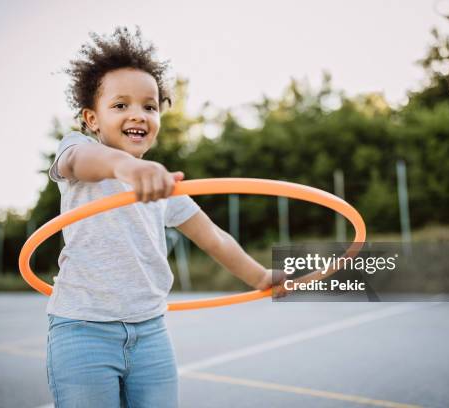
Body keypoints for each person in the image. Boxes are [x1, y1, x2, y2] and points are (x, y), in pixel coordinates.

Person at [46, 26, 285, 408]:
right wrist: (127, 168)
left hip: (151, 332)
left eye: (149, 105)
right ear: (91, 119)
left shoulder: (163, 186)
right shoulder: (80, 151)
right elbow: (82, 162)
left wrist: (259, 276)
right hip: (82, 328)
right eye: (120, 105)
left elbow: (214, 238)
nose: (137, 114)